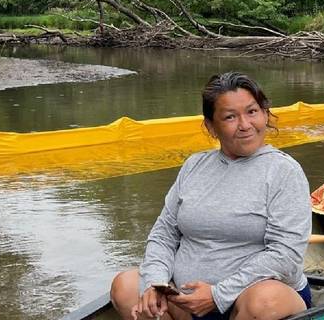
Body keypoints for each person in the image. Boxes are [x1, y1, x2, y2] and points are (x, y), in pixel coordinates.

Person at [110, 72, 312, 320]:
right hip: (187, 302)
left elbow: (286, 256)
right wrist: (155, 282)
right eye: (230, 117)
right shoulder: (195, 166)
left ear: (265, 113)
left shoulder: (284, 171)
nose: (245, 125)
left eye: (252, 112)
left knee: (265, 301)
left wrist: (218, 294)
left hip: (247, 304)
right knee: (126, 286)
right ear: (211, 127)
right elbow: (164, 233)